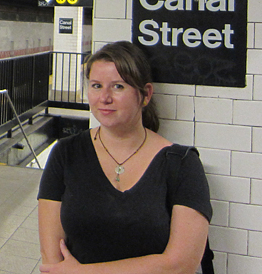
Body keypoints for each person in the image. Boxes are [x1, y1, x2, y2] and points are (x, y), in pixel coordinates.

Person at [37, 41, 212, 274]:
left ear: (146, 94)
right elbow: (53, 259)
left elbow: (181, 264)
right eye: (96, 86)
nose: (104, 98)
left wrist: (84, 272)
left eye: (118, 87)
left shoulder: (181, 164)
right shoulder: (66, 154)